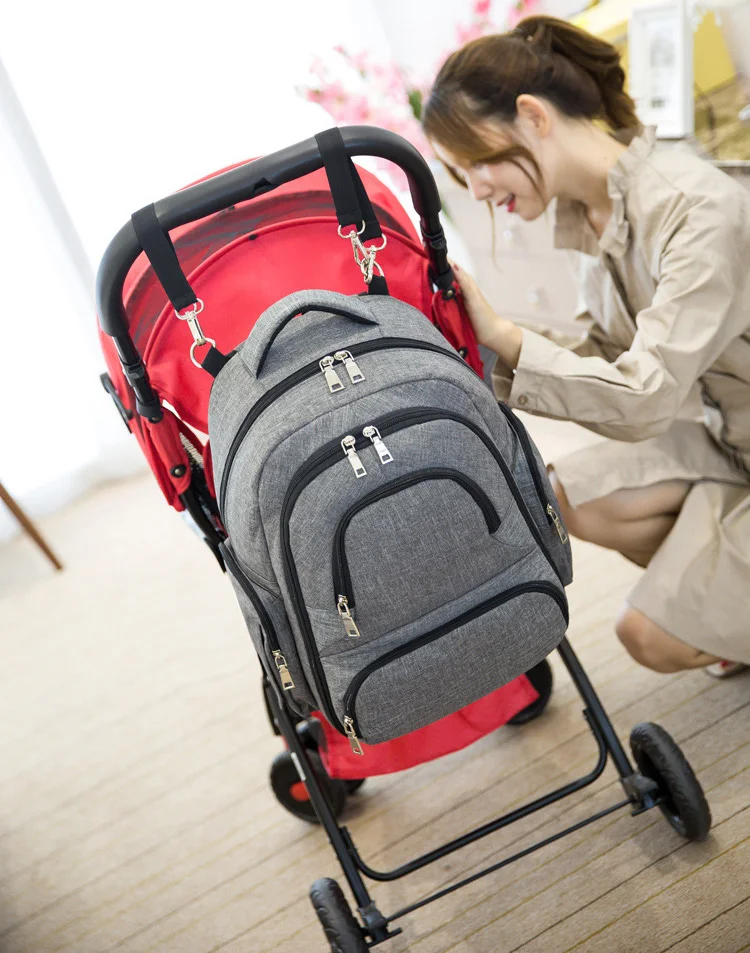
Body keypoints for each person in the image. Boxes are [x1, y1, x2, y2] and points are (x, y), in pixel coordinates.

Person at [422, 15, 750, 676]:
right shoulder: (586, 214)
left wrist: (509, 339)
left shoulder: (695, 207)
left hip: (720, 432)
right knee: (565, 495)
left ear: (533, 116)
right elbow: (607, 355)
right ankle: (724, 603)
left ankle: (720, 609)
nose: (478, 189)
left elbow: (646, 396)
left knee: (647, 636)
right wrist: (485, 346)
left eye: (479, 162)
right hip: (728, 439)